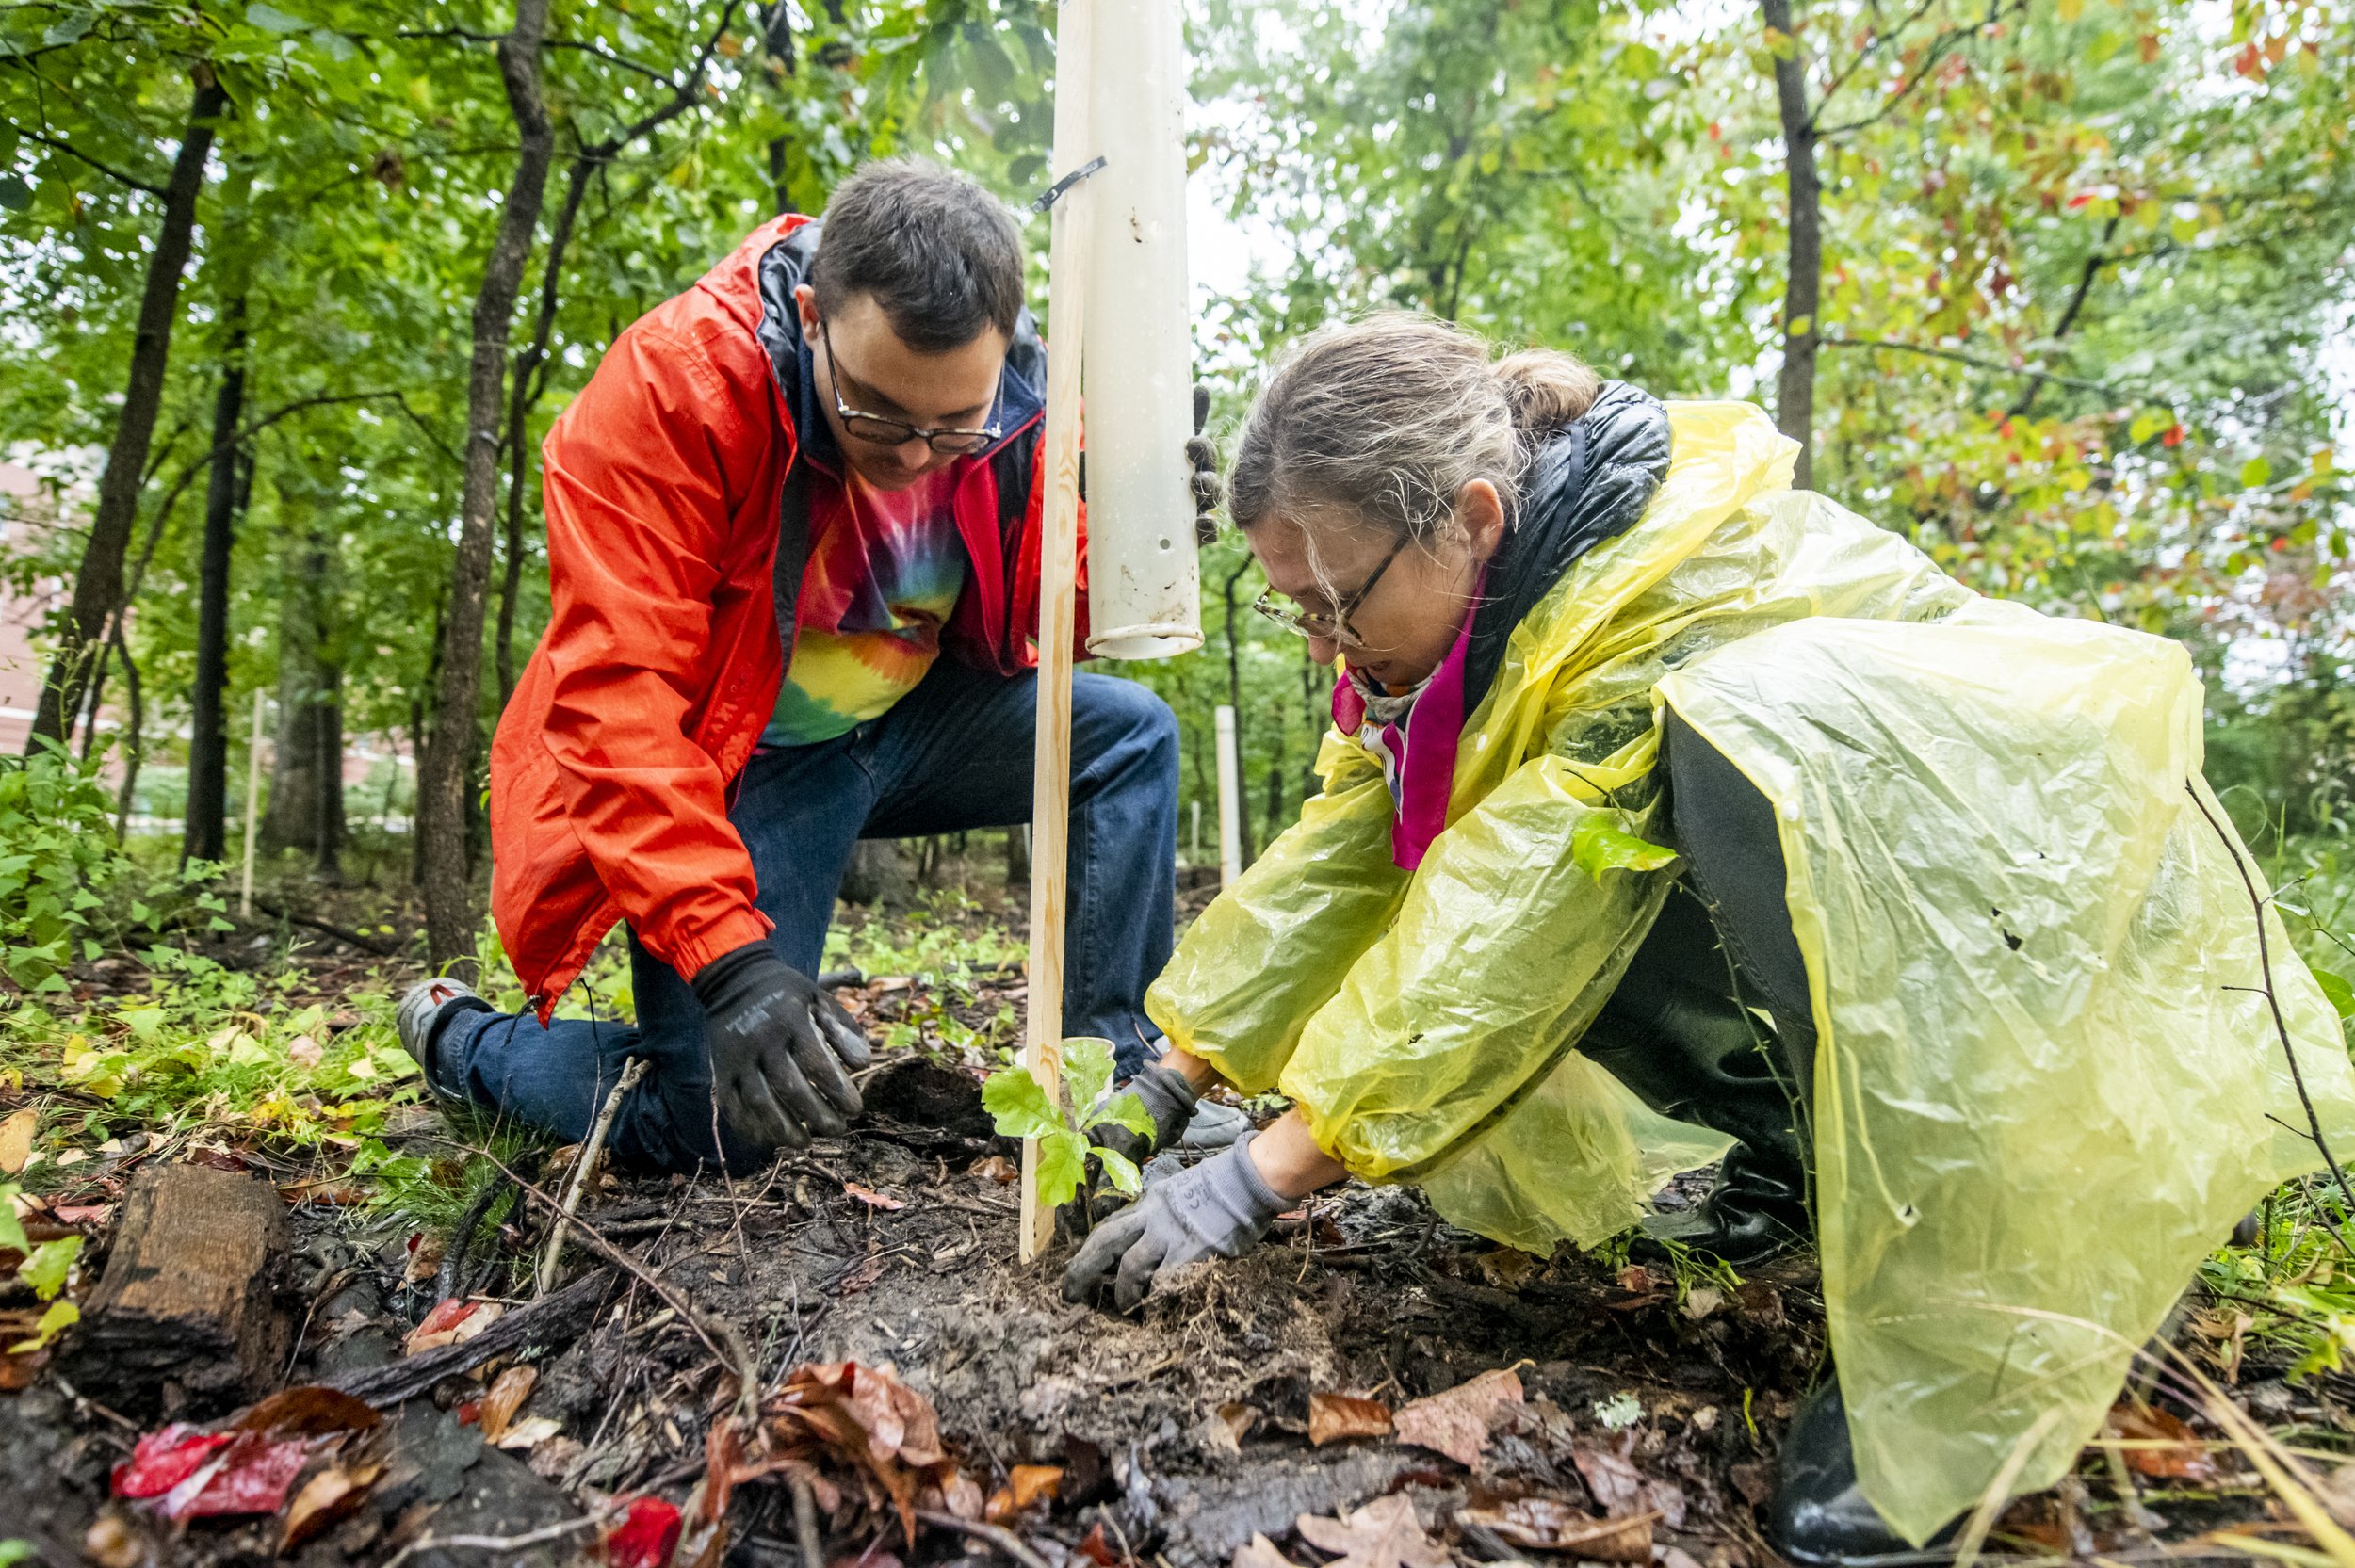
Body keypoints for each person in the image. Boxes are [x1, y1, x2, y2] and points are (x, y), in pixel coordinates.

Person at [1060, 314, 2355, 1561]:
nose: (1321, 643)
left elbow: (1520, 915)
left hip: (2042, 945)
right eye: (1299, 610)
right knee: (1553, 830)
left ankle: (1975, 1315)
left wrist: (1261, 1176)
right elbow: (1349, 853)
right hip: (1936, 939)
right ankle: (1809, 1166)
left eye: (1338, 601)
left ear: (1470, 518)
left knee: (1725, 741)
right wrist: (1179, 1072)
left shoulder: (1662, 592)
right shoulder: (1466, 639)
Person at [397, 160, 1210, 1173]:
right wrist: (732, 966)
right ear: (816, 314)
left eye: (952, 426)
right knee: (720, 1127)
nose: (917, 456)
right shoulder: (674, 388)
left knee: (1128, 736)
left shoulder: (1020, 408)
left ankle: (1117, 1073)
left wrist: (1148, 541)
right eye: (876, 415)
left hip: (913, 723)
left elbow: (1044, 609)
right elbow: (615, 700)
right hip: (746, 762)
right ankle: (462, 1040)